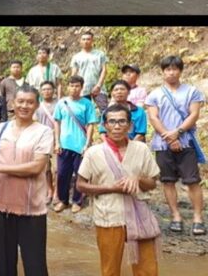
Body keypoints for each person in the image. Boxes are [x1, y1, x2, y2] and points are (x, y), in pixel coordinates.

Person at [0, 85, 53, 276]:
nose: (24, 106)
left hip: (31, 208)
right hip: (0, 205)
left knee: (35, 264)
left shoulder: (44, 132)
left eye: (30, 102)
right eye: (20, 101)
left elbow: (37, 167)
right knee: (4, 264)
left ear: (36, 105)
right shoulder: (0, 128)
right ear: (13, 103)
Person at [77, 104, 162, 276]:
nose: (117, 126)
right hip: (109, 215)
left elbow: (153, 182)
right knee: (110, 269)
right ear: (105, 125)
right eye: (112, 122)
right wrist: (111, 187)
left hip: (139, 216)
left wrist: (137, 179)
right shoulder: (94, 152)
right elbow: (80, 185)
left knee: (147, 270)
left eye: (122, 121)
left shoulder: (141, 149)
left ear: (130, 125)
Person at [144, 55, 205, 236]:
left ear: (180, 71)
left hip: (186, 142)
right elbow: (153, 117)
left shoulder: (192, 91)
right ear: (162, 72)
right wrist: (169, 137)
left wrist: (177, 133)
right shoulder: (154, 94)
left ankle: (197, 218)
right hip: (162, 144)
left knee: (192, 181)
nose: (171, 72)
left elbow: (194, 115)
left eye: (174, 69)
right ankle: (175, 216)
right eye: (167, 69)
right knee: (168, 181)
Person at [53, 76, 99, 213]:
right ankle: (62, 200)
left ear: (82, 87)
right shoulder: (62, 102)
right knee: (62, 174)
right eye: (72, 85)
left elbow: (91, 124)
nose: (74, 88)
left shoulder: (87, 103)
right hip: (64, 145)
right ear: (68, 87)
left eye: (77, 86)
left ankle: (77, 201)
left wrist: (87, 144)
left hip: (80, 145)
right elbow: (57, 122)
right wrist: (57, 142)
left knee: (80, 174)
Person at [70, 31, 109, 113]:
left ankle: (105, 126)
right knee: (83, 112)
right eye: (83, 39)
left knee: (105, 111)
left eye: (88, 39)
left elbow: (104, 70)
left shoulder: (100, 54)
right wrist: (73, 88)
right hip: (83, 89)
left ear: (92, 41)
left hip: (99, 88)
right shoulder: (76, 57)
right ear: (80, 41)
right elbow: (74, 74)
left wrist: (98, 85)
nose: (86, 41)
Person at [36, 81, 60, 203]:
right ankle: (49, 190)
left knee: (56, 168)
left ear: (54, 90)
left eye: (49, 89)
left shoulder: (60, 104)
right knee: (45, 168)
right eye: (44, 89)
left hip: (57, 138)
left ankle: (56, 192)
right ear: (40, 91)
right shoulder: (37, 106)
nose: (46, 91)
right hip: (43, 139)